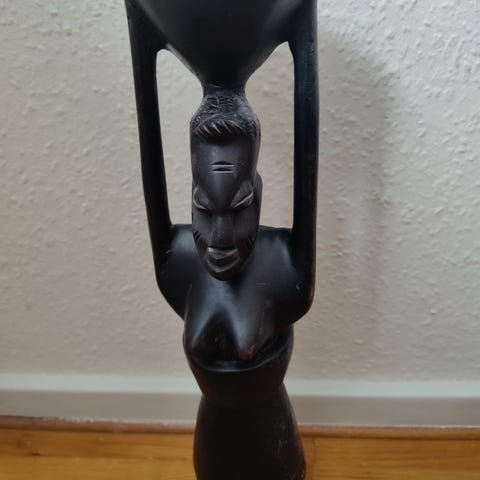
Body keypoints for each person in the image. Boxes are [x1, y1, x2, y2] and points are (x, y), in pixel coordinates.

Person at [126, 0, 318, 366]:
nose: (219, 238)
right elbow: (151, 160)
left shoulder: (285, 269)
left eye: (238, 209)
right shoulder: (177, 262)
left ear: (257, 198)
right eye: (203, 208)